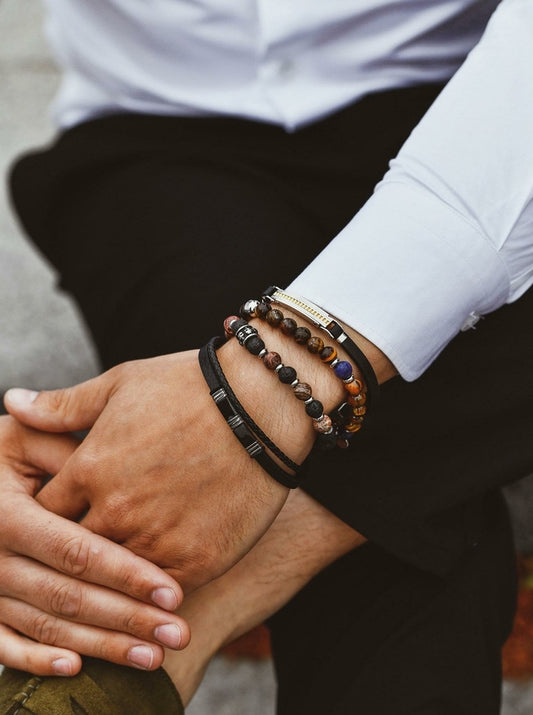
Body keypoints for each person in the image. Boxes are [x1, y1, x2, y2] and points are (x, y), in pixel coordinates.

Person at [1, 0, 533, 712]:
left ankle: (209, 600)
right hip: (168, 120)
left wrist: (263, 394)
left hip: (476, 82)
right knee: (385, 572)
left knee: (268, 485)